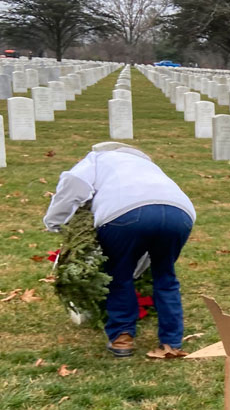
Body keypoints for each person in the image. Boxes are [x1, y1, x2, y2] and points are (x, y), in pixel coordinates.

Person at [43, 143, 196, 359]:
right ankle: (171, 342)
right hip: (180, 213)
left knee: (119, 275)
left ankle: (122, 338)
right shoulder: (148, 165)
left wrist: (56, 222)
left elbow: (75, 182)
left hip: (123, 213)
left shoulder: (98, 159)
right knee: (165, 276)